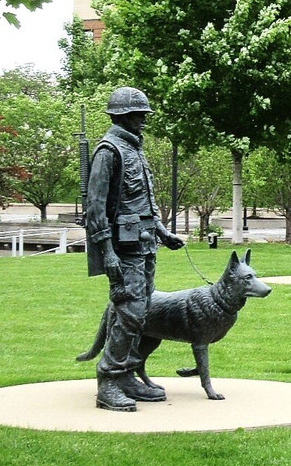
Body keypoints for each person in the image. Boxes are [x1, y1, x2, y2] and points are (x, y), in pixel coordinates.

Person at [85, 86, 185, 412]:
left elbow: (142, 202)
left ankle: (126, 374)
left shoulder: (134, 149)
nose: (144, 120)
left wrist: (162, 232)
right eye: (139, 115)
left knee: (140, 313)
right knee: (129, 313)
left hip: (144, 244)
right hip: (122, 249)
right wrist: (108, 253)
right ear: (124, 115)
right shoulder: (108, 151)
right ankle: (108, 381)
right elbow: (95, 210)